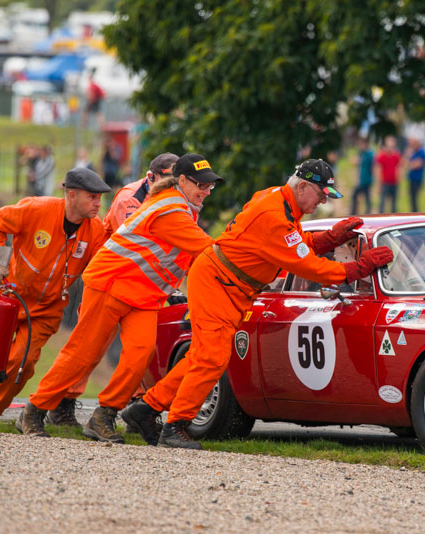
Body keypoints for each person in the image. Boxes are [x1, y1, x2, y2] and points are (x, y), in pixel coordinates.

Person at [122, 159, 393, 449]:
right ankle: (176, 426)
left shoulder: (279, 200)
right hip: (219, 283)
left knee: (200, 357)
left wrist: (328, 239)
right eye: (321, 194)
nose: (323, 200)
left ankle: (146, 409)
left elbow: (293, 244)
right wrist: (355, 269)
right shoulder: (274, 214)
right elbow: (307, 266)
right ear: (302, 186)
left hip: (227, 283)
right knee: (211, 358)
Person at [18, 153, 220, 443]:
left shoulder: (183, 206)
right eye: (201, 185)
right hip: (111, 284)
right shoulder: (171, 208)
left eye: (210, 186)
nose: (206, 191)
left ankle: (104, 415)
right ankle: (35, 410)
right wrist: (246, 256)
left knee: (140, 355)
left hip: (143, 293)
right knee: (83, 355)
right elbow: (207, 250)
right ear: (183, 181)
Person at [0, 168, 111, 429]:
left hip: (47, 309)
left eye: (99, 199)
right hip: (6, 295)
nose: (97, 204)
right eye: (92, 197)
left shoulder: (96, 232)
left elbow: (103, 267)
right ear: (71, 195)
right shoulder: (36, 209)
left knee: (23, 361)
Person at [103, 153, 178, 232]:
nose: (171, 187)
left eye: (175, 182)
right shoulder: (129, 199)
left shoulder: (174, 194)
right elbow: (130, 237)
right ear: (150, 176)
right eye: (166, 182)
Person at [376, 136, 401, 213]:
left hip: (394, 182)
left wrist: (399, 179)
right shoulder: (382, 156)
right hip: (385, 183)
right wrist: (379, 183)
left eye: (392, 146)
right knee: (382, 202)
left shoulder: (396, 156)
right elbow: (378, 169)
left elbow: (399, 168)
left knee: (394, 203)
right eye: (388, 146)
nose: (390, 148)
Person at [350, 136, 374, 215]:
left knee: (365, 197)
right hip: (361, 180)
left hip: (366, 180)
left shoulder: (369, 154)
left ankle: (366, 212)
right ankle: (355, 212)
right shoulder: (362, 153)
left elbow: (372, 167)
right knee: (358, 196)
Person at [405, 137, 425, 212]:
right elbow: (406, 161)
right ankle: (413, 212)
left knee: (414, 198)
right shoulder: (413, 151)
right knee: (411, 198)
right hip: (411, 178)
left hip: (417, 179)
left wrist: (411, 164)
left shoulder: (422, 152)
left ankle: (415, 212)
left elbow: (417, 164)